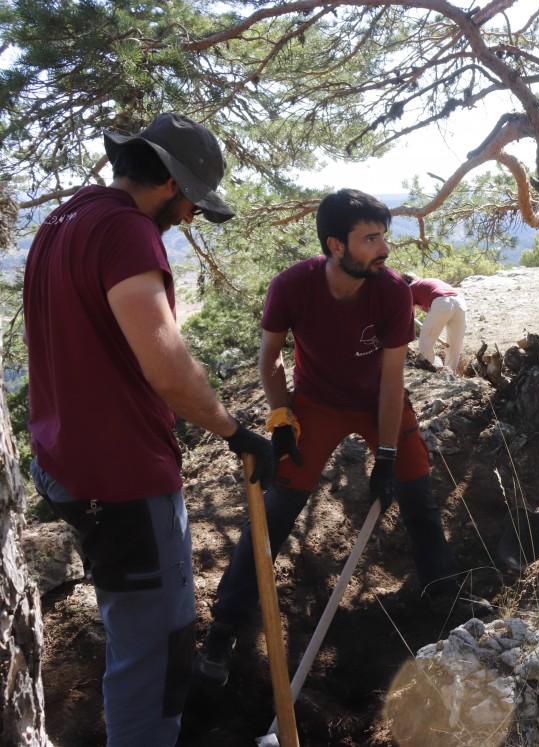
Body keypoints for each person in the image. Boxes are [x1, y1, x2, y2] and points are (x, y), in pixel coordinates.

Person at [22, 113, 274, 747]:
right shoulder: (128, 232)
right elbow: (167, 366)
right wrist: (234, 430)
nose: (189, 217)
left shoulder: (63, 220)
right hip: (122, 477)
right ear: (168, 180)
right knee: (157, 650)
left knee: (133, 629)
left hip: (62, 461)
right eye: (190, 201)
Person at [195, 189, 493, 687]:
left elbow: (393, 378)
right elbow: (270, 360)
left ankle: (442, 590)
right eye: (370, 238)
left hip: (379, 402)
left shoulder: (392, 291)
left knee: (417, 492)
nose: (384, 248)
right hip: (316, 403)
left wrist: (389, 456)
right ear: (335, 245)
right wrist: (281, 419)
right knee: (277, 508)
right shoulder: (292, 286)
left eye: (384, 236)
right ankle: (226, 624)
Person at [402, 273, 468, 374]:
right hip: (460, 302)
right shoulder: (428, 282)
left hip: (441, 301)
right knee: (455, 344)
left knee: (425, 341)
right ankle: (450, 374)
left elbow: (410, 314)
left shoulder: (410, 288)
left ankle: (430, 372)